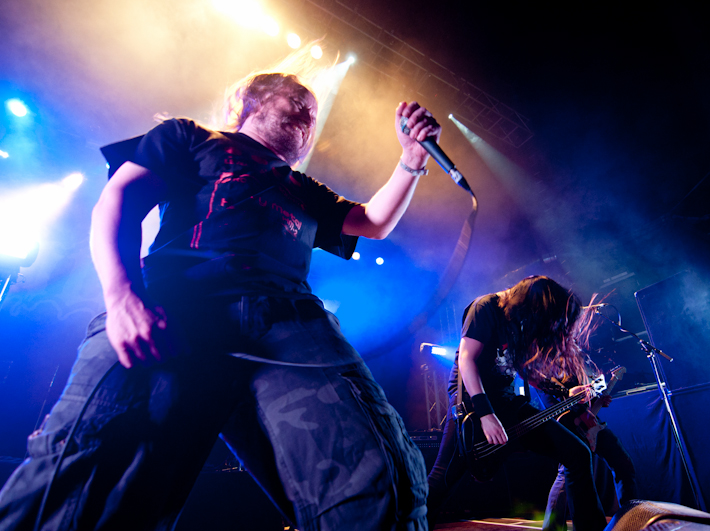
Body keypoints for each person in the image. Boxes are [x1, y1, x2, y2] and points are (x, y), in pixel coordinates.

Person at [0, 71, 440, 530]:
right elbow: (119, 201)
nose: (309, 114)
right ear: (251, 101)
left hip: (289, 321)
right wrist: (122, 297)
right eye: (296, 100)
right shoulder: (191, 137)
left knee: (375, 472)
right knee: (94, 473)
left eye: (314, 112)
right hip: (179, 305)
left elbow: (373, 222)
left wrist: (411, 160)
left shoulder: (302, 187)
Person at [426, 275, 608, 531]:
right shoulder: (485, 307)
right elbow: (466, 360)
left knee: (577, 453)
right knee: (441, 481)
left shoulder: (519, 322)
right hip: (473, 408)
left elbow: (524, 369)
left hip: (508, 403)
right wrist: (485, 414)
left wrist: (564, 392)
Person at [540, 367, 638, 531]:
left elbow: (586, 399)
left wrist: (598, 401)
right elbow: (551, 396)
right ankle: (551, 528)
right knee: (566, 473)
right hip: (568, 421)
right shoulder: (549, 365)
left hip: (590, 421)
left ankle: (630, 520)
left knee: (623, 463)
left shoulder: (579, 362)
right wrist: (577, 404)